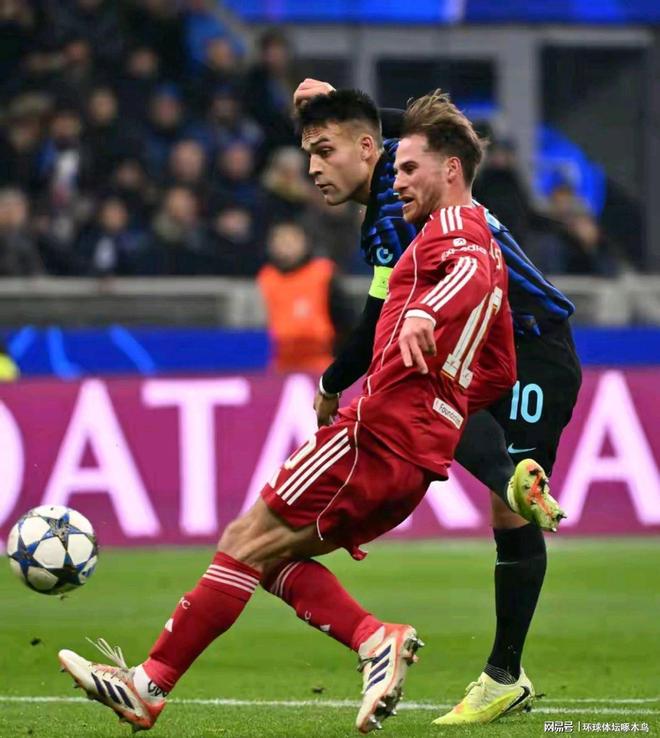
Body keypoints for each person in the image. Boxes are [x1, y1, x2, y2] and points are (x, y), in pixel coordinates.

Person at [58, 91, 550, 735]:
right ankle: (371, 639)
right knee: (268, 558)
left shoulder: (449, 231)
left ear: (450, 170)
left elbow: (460, 280)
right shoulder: (485, 242)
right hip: (418, 455)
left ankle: (149, 685)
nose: (397, 181)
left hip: (375, 435)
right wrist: (448, 408)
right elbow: (502, 369)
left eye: (408, 168)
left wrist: (425, 314)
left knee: (241, 541)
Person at [292, 82, 581, 724]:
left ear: (365, 147)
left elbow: (378, 318)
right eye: (309, 153)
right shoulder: (397, 195)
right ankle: (509, 486)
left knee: (510, 505)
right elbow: (426, 132)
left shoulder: (400, 200)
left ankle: (505, 674)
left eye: (324, 150)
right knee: (454, 424)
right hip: (484, 347)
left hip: (534, 346)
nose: (312, 168)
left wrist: (334, 382)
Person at [257, 220, 353, 373]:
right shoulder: (267, 278)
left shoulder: (323, 273)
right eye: (280, 240)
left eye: (292, 240)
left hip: (321, 361)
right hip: (282, 363)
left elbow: (345, 318)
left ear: (304, 242)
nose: (286, 246)